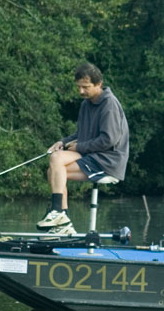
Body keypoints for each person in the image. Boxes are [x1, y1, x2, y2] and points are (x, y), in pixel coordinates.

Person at [38, 62, 130, 234]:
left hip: (108, 160)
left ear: (99, 84)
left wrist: (79, 147)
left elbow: (108, 140)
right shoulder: (86, 104)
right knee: (54, 166)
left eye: (85, 87)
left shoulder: (109, 104)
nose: (81, 91)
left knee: (56, 163)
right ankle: (62, 222)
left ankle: (57, 213)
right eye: (79, 87)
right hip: (92, 154)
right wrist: (63, 143)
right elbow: (82, 133)